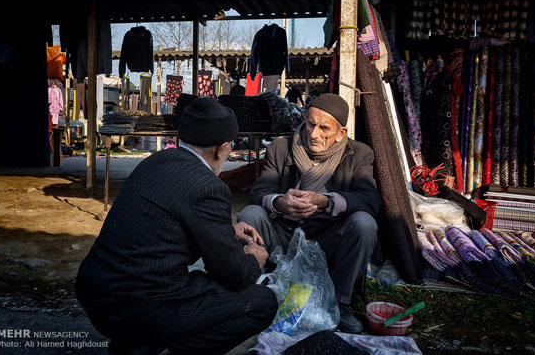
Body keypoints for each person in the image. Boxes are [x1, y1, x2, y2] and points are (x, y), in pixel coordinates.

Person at [75, 97, 278, 355]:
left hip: (96, 294)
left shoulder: (156, 161)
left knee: (199, 284)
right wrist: (253, 260)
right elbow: (233, 274)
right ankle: (159, 349)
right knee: (262, 302)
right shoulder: (209, 186)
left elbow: (171, 222)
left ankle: (135, 343)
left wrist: (227, 232)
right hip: (138, 307)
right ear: (222, 148)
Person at [237, 93, 380, 333]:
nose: (313, 134)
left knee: (364, 223)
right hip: (284, 231)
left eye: (324, 128)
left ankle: (339, 303)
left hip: (327, 236)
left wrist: (326, 201)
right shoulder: (281, 148)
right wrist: (280, 202)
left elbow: (369, 200)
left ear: (341, 133)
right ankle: (254, 295)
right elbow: (260, 191)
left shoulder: (360, 154)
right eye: (310, 123)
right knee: (250, 215)